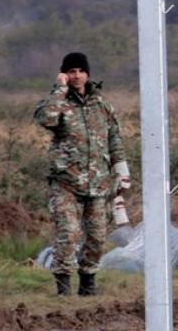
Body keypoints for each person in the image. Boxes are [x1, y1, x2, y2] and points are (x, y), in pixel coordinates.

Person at [34, 52, 129, 297]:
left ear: (88, 74)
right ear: (65, 74)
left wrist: (121, 170)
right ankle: (63, 288)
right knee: (69, 234)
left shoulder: (102, 105)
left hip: (99, 184)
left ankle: (88, 284)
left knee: (97, 237)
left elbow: (114, 138)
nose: (77, 76)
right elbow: (45, 119)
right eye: (71, 71)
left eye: (80, 71)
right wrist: (59, 89)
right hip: (66, 183)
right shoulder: (59, 102)